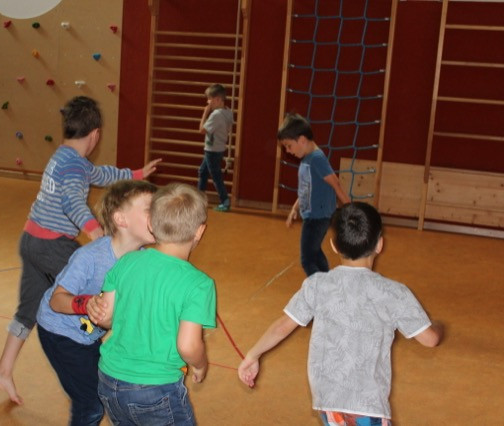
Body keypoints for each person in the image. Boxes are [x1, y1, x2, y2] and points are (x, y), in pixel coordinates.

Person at [0, 95, 161, 405]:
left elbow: (103, 175)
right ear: (95, 135)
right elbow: (72, 202)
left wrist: (135, 174)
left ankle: (3, 369)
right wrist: (98, 235)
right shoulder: (73, 167)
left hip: (30, 240)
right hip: (50, 244)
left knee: (28, 309)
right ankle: (110, 347)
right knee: (98, 278)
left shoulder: (66, 158)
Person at [238, 202, 444, 425]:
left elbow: (282, 326)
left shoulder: (317, 284)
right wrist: (439, 327)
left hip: (328, 403)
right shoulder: (393, 292)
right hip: (367, 407)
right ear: (380, 244)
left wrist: (252, 355)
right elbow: (430, 339)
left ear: (333, 246)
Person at [90, 183, 216, 425]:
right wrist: (200, 365)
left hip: (108, 379)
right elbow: (188, 346)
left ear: (151, 224)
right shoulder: (199, 284)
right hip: (155, 388)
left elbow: (105, 317)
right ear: (199, 231)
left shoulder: (127, 262)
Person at [36, 180, 157, 426]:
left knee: (103, 390)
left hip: (89, 334)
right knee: (91, 404)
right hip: (60, 333)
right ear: (121, 219)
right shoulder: (90, 257)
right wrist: (87, 303)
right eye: (150, 209)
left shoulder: (144, 259)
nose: (159, 214)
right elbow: (57, 301)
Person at [278, 113, 351, 276]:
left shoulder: (317, 159)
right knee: (315, 253)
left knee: (307, 259)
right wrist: (294, 208)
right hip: (313, 216)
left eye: (289, 146)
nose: (288, 151)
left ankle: (319, 289)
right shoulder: (306, 158)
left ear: (302, 140)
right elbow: (306, 189)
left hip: (318, 217)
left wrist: (351, 208)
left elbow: (335, 183)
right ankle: (327, 281)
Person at [197, 83, 234, 212]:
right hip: (218, 148)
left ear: (218, 99)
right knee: (203, 172)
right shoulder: (228, 111)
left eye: (210, 99)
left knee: (216, 176)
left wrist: (205, 113)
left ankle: (225, 201)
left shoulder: (216, 115)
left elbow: (201, 129)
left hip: (212, 150)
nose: (208, 102)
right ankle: (199, 200)